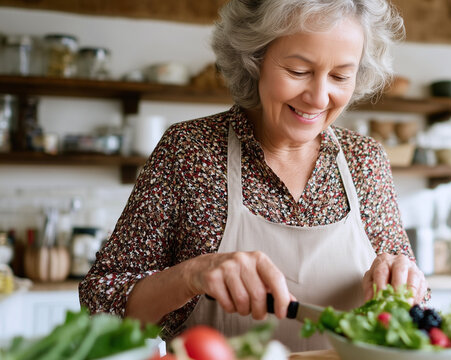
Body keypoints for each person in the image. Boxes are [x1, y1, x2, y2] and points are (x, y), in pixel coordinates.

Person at [80, 0, 428, 352]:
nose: (319, 97)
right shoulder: (189, 151)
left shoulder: (365, 161)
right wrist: (191, 275)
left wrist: (404, 281)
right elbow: (100, 306)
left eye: (340, 76)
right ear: (254, 59)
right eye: (298, 71)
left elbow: (416, 305)